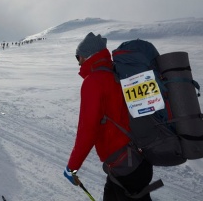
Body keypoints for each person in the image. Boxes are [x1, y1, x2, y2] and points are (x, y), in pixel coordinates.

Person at [64, 32, 154, 201]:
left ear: (88, 56)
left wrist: (72, 167)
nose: (78, 62)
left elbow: (88, 130)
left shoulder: (94, 82)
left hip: (125, 168)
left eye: (78, 57)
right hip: (134, 161)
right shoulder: (116, 75)